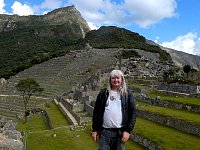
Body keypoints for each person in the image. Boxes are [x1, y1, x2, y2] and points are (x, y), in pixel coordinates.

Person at [92, 69, 136, 150]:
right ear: (110, 80)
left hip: (120, 134)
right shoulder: (103, 93)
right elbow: (96, 112)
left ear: (122, 80)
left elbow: (132, 113)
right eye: (113, 78)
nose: (115, 80)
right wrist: (95, 130)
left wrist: (128, 131)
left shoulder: (128, 95)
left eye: (118, 78)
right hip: (104, 133)